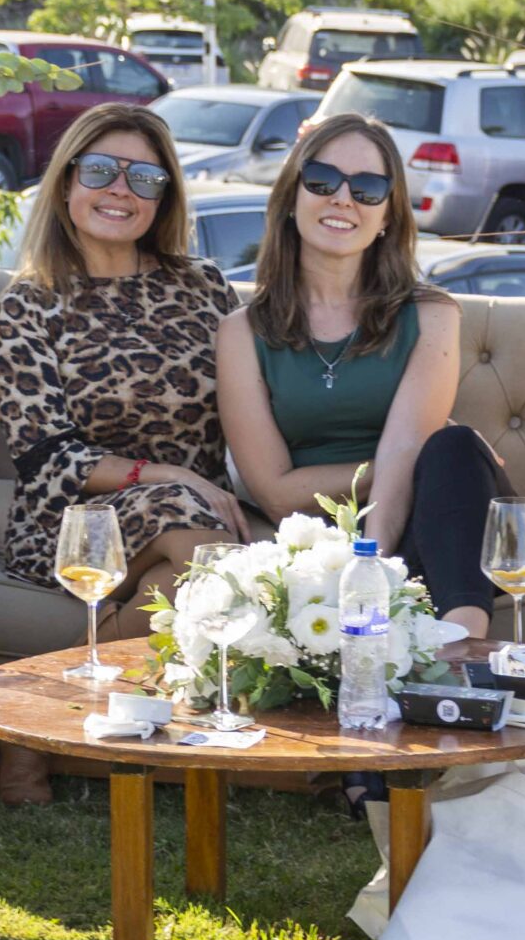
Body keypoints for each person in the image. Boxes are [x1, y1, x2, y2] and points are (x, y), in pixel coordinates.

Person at [0, 103, 248, 801]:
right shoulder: (29, 303)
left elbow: (251, 411)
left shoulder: (206, 288)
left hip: (194, 511)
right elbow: (47, 456)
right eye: (100, 170)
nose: (120, 190)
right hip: (70, 520)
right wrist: (171, 474)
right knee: (206, 550)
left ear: (165, 195)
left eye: (143, 176)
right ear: (67, 183)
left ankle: (30, 722)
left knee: (184, 567)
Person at [216, 111, 504, 644]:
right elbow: (277, 495)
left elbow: (410, 450)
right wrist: (405, 459)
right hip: (319, 530)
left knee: (453, 451)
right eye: (323, 180)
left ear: (389, 216)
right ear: (291, 197)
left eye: (369, 188)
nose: (343, 199)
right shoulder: (241, 332)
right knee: (439, 450)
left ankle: (464, 651)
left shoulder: (433, 314)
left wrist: (372, 566)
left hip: (439, 511)